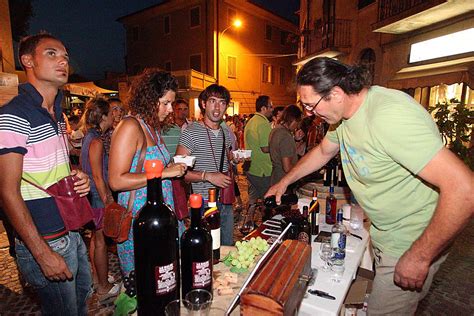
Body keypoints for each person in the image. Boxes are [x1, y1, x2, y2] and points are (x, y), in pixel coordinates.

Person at [266, 57, 474, 315]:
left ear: (337, 93)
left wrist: (420, 257)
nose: (308, 113)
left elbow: (465, 188)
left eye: (311, 105)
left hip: (411, 240)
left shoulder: (389, 117)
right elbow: (323, 151)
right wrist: (285, 181)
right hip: (384, 234)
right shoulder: (343, 117)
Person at [0, 33, 92, 315]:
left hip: (71, 231)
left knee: (80, 306)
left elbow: (44, 169)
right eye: (51, 53)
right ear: (27, 60)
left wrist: (78, 176)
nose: (63, 60)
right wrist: (41, 254)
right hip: (46, 239)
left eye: (64, 55)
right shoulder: (14, 114)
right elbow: (6, 191)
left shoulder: (52, 113)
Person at [108, 69, 187, 277]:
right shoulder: (129, 126)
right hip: (141, 220)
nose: (170, 109)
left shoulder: (152, 127)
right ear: (150, 99)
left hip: (162, 215)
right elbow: (116, 180)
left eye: (172, 103)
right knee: (148, 283)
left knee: (167, 277)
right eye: (165, 103)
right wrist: (166, 173)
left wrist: (173, 166)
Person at [175, 84, 237, 246]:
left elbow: (225, 158)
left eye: (222, 102)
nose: (217, 107)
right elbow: (178, 171)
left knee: (226, 247)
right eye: (212, 101)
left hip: (225, 200)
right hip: (202, 203)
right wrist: (207, 176)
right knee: (204, 250)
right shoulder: (190, 132)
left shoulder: (225, 132)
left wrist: (234, 159)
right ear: (203, 104)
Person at [79, 97, 120, 303]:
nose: (114, 115)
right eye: (111, 113)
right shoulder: (95, 141)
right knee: (101, 241)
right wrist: (107, 201)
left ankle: (98, 277)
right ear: (103, 116)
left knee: (96, 239)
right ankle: (103, 287)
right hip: (97, 196)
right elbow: (97, 176)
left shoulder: (91, 137)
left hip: (93, 195)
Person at [244, 95, 273, 205]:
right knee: (268, 200)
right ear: (263, 108)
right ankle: (266, 220)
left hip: (252, 168)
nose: (272, 110)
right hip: (263, 170)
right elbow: (265, 148)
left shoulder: (251, 121)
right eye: (270, 107)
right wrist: (277, 147)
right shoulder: (263, 123)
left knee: (253, 199)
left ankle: (249, 220)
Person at [268, 105, 302, 187]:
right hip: (284, 180)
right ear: (293, 120)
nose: (297, 126)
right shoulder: (285, 135)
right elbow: (287, 167)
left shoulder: (275, 130)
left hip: (275, 177)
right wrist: (301, 169)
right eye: (297, 122)